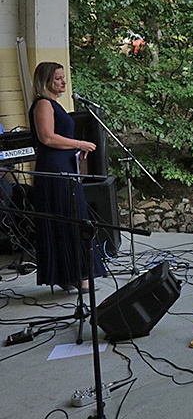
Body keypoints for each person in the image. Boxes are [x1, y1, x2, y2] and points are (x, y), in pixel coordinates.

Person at [28, 62, 104, 292]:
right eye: (58, 78)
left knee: (69, 216)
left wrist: (76, 151)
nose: (64, 82)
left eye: (63, 78)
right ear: (47, 81)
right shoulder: (43, 104)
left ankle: (70, 275)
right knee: (68, 218)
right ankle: (79, 276)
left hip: (64, 165)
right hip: (54, 169)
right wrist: (79, 143)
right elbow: (48, 138)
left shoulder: (55, 105)